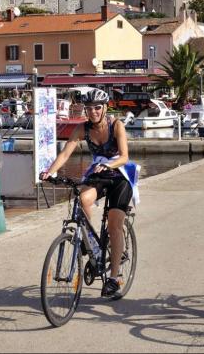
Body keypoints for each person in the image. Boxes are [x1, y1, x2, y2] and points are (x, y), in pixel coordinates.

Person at [39, 89, 134, 299]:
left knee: (114, 223)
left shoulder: (116, 125)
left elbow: (125, 157)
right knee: (82, 199)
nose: (92, 112)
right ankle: (89, 240)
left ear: (105, 108)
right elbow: (65, 153)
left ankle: (114, 277)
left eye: (97, 107)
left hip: (119, 176)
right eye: (88, 108)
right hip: (99, 174)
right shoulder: (83, 128)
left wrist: (109, 163)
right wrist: (50, 171)